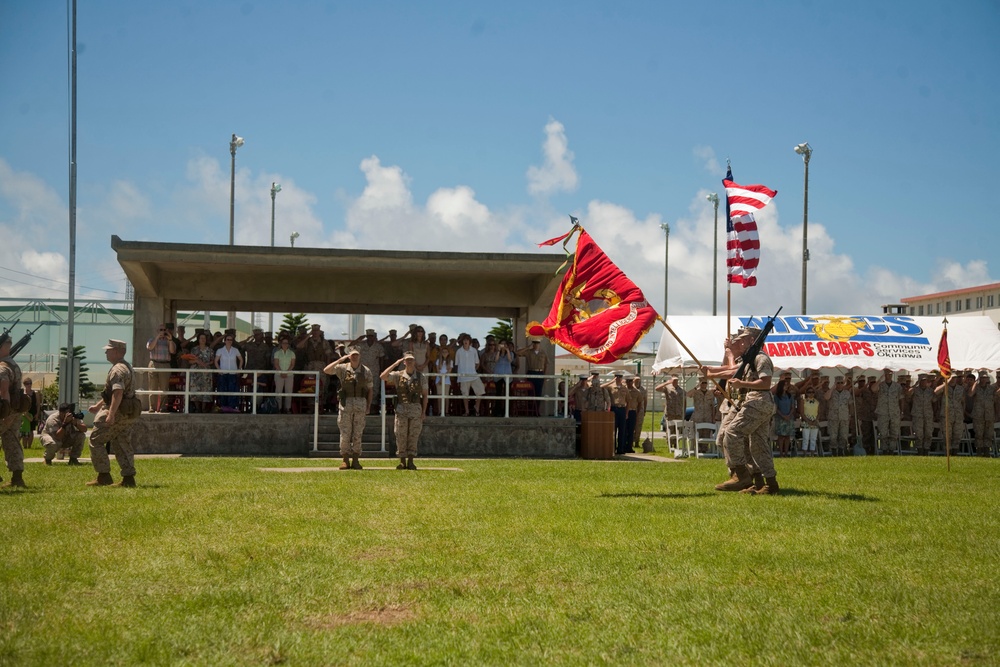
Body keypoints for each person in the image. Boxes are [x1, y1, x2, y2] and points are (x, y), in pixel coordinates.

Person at [702, 326, 778, 495]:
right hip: (754, 402)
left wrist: (742, 384)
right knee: (757, 445)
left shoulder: (761, 359)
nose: (740, 342)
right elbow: (732, 370)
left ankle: (741, 476)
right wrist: (712, 372)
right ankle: (767, 483)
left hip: (758, 401)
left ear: (752, 341)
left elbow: (765, 384)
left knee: (732, 433)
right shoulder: (750, 359)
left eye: (743, 340)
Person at [87, 339, 141, 487]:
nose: (106, 352)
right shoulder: (126, 367)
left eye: (108, 350)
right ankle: (128, 479)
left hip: (118, 411)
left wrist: (110, 414)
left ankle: (103, 475)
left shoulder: (117, 370)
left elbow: (117, 393)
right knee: (122, 443)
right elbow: (112, 393)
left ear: (117, 351)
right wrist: (99, 405)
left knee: (95, 440)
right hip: (127, 411)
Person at [324, 349, 373, 470]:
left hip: (360, 404)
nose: (355, 357)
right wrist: (340, 359)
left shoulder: (366, 371)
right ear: (349, 356)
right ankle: (345, 459)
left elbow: (370, 389)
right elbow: (327, 370)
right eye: (352, 355)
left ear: (360, 356)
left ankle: (356, 459)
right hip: (346, 405)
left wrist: (368, 406)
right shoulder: (342, 368)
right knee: (345, 433)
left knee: (358, 433)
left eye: (356, 355)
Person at [381, 351, 428, 470]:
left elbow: (425, 395)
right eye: (407, 360)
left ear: (414, 361)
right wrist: (395, 364)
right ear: (404, 362)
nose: (410, 362)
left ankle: (411, 460)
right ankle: (402, 461)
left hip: (415, 408)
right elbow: (383, 376)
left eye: (411, 359)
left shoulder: (421, 376)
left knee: (413, 435)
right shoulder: (398, 375)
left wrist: (423, 412)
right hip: (402, 408)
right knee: (401, 435)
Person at [0, 332, 28, 488]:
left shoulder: (2, 368)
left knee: (11, 442)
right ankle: (17, 478)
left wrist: (4, 411)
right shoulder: (14, 365)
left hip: (5, 411)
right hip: (16, 411)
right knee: (12, 442)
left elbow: (3, 390)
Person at [299, 325, 334, 412]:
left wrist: (328, 368)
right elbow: (299, 346)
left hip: (321, 366)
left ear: (319, 331)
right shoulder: (308, 341)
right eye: (313, 331)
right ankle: (311, 407)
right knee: (309, 386)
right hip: (310, 366)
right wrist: (308, 336)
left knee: (322, 387)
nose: (315, 332)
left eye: (316, 331)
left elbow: (328, 355)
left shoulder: (324, 342)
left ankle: (320, 406)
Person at [145, 323, 176, 412]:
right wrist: (157, 337)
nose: (162, 332)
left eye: (164, 330)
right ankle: (152, 407)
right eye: (160, 330)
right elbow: (150, 347)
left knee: (164, 387)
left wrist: (170, 340)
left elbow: (172, 351)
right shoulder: (152, 339)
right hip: (154, 363)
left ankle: (163, 407)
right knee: (152, 387)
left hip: (165, 364)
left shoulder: (169, 341)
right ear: (157, 331)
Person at [871, 368, 902, 454]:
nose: (888, 376)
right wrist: (880, 379)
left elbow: (901, 399)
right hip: (883, 412)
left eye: (890, 374)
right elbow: (873, 389)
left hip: (894, 412)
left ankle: (891, 451)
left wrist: (901, 411)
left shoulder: (897, 386)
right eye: (886, 374)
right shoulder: (880, 385)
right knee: (883, 433)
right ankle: (884, 451)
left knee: (894, 433)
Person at [355, 329, 386, 413]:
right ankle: (363, 406)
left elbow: (381, 358)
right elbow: (350, 347)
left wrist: (382, 369)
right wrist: (359, 339)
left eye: (372, 336)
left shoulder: (378, 346)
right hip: (362, 370)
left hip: (374, 370)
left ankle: (373, 407)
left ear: (374, 336)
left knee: (374, 388)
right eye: (368, 336)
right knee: (362, 388)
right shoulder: (361, 345)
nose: (370, 338)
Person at [454, 334, 485, 417]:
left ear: (469, 341)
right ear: (462, 341)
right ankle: (467, 411)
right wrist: (459, 376)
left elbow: (477, 363)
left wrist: (473, 370)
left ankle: (476, 408)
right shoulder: (459, 351)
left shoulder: (474, 350)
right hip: (463, 377)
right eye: (464, 340)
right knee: (465, 395)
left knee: (480, 390)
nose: (465, 341)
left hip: (473, 375)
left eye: (467, 339)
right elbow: (457, 364)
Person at [188, 332, 216, 413]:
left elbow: (212, 361)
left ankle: (203, 408)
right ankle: (197, 408)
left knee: (206, 389)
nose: (203, 340)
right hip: (195, 373)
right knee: (195, 389)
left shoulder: (210, 350)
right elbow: (190, 361)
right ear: (198, 339)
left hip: (206, 373)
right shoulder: (194, 349)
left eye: (204, 338)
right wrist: (196, 361)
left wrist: (206, 364)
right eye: (201, 338)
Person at [214, 333, 243, 412]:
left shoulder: (235, 350)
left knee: (233, 390)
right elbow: (216, 361)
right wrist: (219, 370)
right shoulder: (220, 350)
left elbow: (241, 360)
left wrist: (239, 369)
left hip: (233, 373)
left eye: (231, 340)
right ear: (225, 341)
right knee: (223, 390)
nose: (229, 341)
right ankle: (223, 407)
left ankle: (232, 407)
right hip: (223, 374)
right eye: (228, 339)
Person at [603, 371, 630, 455]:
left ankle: (620, 449)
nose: (618, 378)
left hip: (622, 408)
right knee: (613, 430)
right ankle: (613, 448)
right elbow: (601, 387)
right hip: (614, 408)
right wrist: (611, 381)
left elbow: (628, 400)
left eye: (620, 376)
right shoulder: (610, 387)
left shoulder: (624, 388)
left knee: (622, 430)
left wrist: (626, 413)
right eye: (616, 376)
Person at [824, 376, 852, 456]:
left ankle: (841, 451)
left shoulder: (847, 393)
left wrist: (850, 415)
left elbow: (850, 405)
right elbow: (826, 397)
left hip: (844, 417)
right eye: (838, 383)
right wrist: (833, 387)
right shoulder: (831, 392)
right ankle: (833, 451)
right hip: (833, 418)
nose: (839, 385)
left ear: (843, 384)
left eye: (841, 383)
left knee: (843, 436)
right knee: (833, 436)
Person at [969, 370, 995, 457]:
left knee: (988, 435)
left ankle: (987, 453)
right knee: (979, 435)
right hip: (978, 416)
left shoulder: (991, 388)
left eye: (985, 378)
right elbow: (970, 394)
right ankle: (979, 453)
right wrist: (975, 383)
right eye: (982, 378)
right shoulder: (976, 388)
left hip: (989, 415)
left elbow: (996, 397)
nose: (984, 380)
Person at [910, 374, 936, 455]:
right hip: (918, 415)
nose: (923, 382)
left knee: (928, 434)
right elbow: (908, 394)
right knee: (919, 434)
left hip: (928, 415)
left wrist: (934, 413)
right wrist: (915, 385)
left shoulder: (930, 391)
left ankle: (926, 451)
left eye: (925, 380)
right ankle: (920, 451)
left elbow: (935, 401)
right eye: (922, 380)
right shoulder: (915, 390)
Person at [273, 335, 297, 414]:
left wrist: (286, 372)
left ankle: (287, 408)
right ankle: (278, 408)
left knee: (288, 392)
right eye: (283, 343)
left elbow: (292, 364)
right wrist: (281, 372)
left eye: (286, 343)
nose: (285, 344)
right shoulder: (277, 353)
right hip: (279, 374)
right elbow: (276, 363)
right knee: (278, 392)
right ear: (280, 344)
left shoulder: (292, 353)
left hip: (289, 375)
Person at [772, 377, 796, 457]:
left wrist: (789, 415)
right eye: (784, 385)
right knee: (781, 436)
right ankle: (781, 453)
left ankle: (786, 453)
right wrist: (783, 416)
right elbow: (776, 408)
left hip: (789, 418)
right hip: (780, 418)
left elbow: (793, 407)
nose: (786, 386)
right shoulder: (777, 396)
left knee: (787, 436)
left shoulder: (790, 396)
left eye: (787, 385)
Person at [20, 377, 42, 449]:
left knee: (31, 430)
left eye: (30, 383)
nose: (29, 385)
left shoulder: (35, 393)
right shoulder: (22, 393)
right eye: (27, 383)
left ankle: (29, 446)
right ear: (24, 384)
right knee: (23, 430)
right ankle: (24, 446)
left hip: (33, 413)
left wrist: (37, 413)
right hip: (24, 413)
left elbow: (38, 404)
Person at [800, 387, 821, 456]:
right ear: (806, 393)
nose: (811, 394)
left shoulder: (817, 402)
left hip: (814, 421)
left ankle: (812, 454)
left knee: (813, 438)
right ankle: (804, 454)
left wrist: (816, 420)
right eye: (809, 392)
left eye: (812, 392)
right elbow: (802, 412)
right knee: (806, 438)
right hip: (806, 422)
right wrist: (808, 421)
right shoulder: (803, 401)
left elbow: (819, 412)